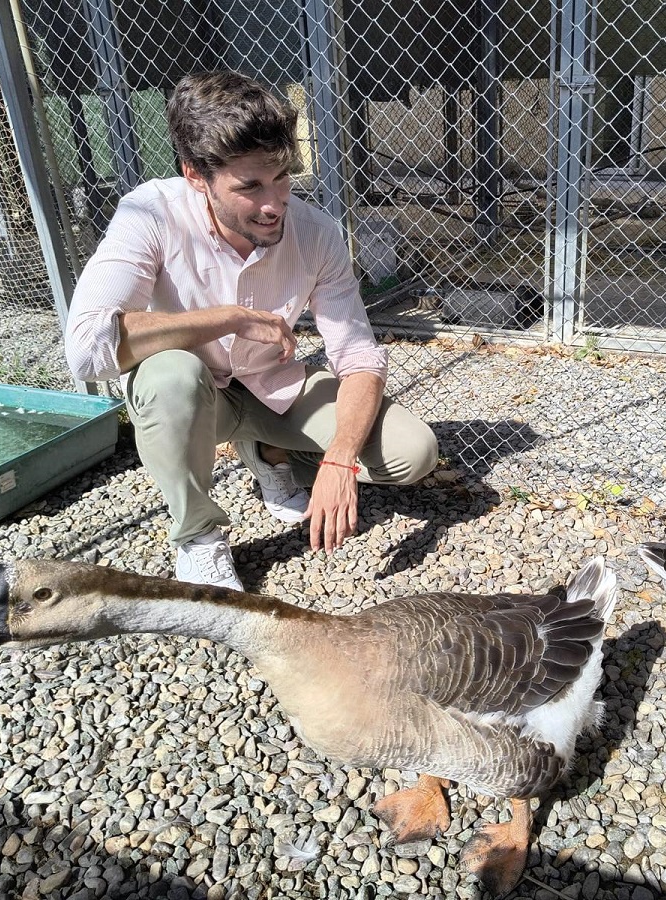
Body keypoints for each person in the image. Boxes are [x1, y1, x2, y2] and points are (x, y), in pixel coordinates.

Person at [65, 71, 438, 589]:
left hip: (271, 387)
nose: (274, 203)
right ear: (196, 175)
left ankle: (269, 454)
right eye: (250, 187)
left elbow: (358, 356)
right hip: (196, 395)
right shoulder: (149, 213)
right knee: (170, 375)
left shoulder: (315, 231)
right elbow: (86, 350)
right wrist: (228, 317)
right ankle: (198, 536)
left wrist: (341, 461)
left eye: (282, 176)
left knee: (413, 451)